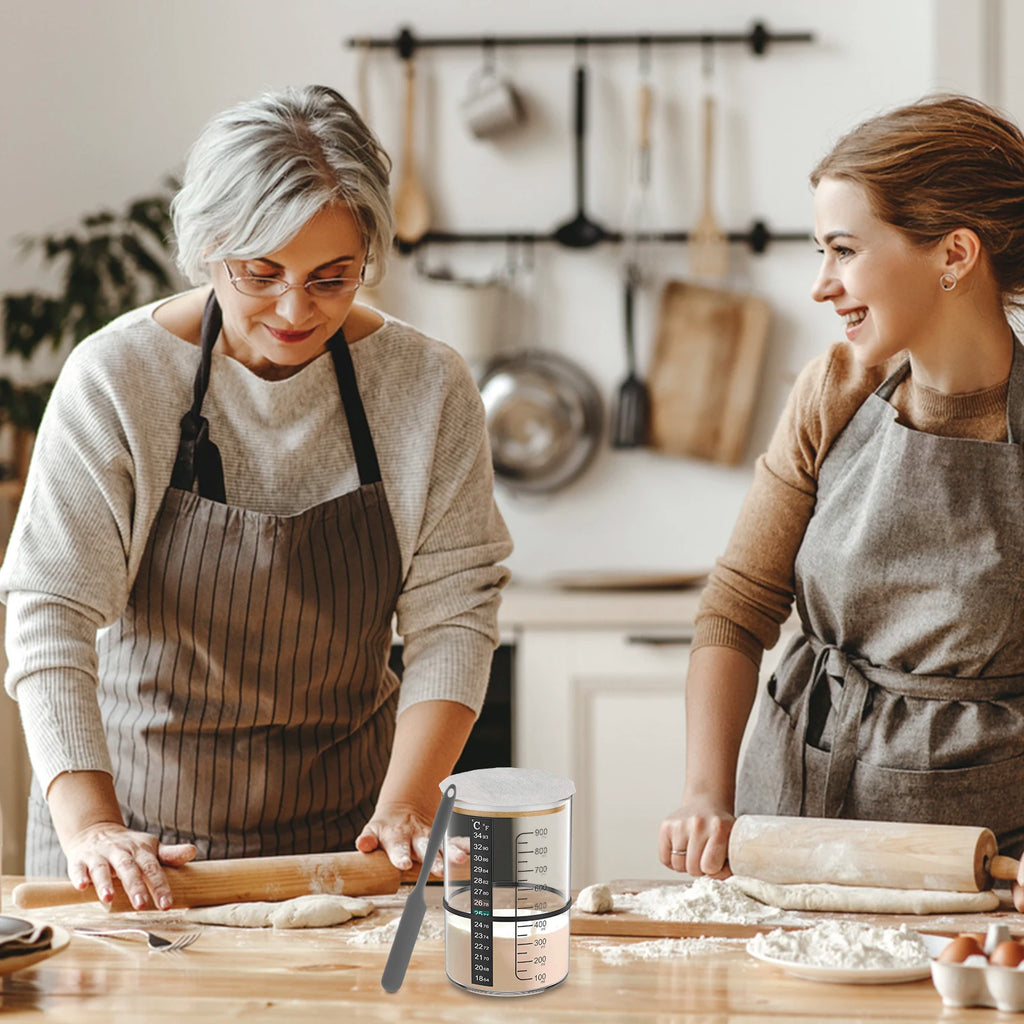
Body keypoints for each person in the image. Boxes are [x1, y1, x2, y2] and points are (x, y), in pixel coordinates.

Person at [0, 84, 511, 911]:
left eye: (333, 277)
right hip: (136, 847)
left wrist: (410, 805)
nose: (296, 309)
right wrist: (90, 826)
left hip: (349, 844)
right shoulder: (118, 378)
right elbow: (50, 609)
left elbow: (456, 613)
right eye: (261, 273)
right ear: (207, 248)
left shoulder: (425, 385)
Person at [658, 94, 1024, 908]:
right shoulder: (832, 392)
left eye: (844, 251)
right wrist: (705, 794)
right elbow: (738, 606)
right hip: (790, 824)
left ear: (955, 253)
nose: (822, 286)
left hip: (982, 869)